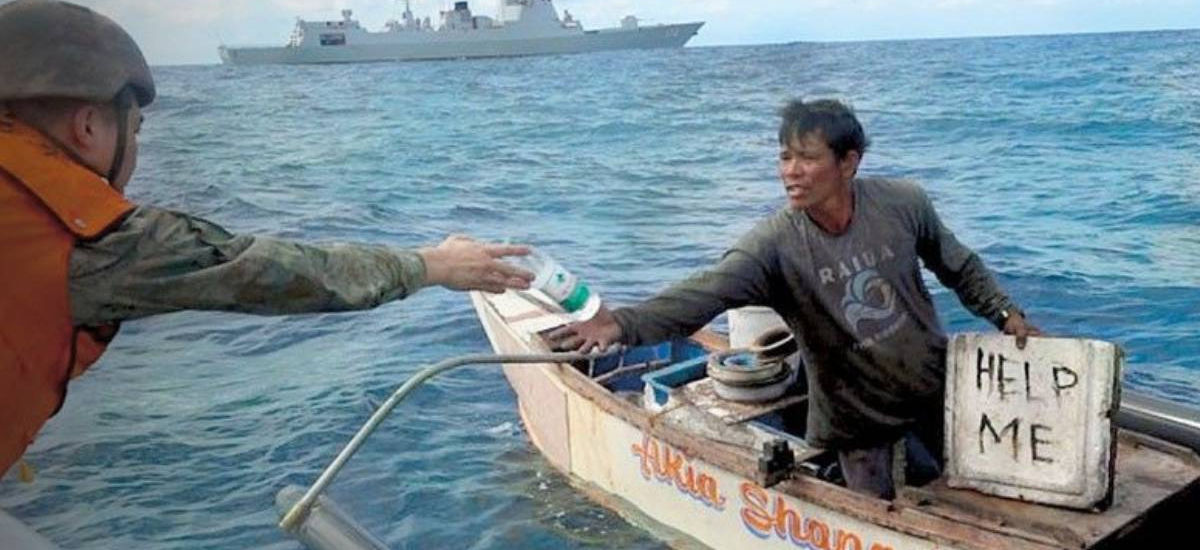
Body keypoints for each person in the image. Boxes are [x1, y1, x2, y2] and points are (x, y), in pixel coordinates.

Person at [0, 0, 533, 479]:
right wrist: (435, 265)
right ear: (88, 127)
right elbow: (266, 270)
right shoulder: (86, 238)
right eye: (135, 130)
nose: (137, 152)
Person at [553, 98, 1041, 499]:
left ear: (849, 162)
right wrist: (619, 324)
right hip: (856, 421)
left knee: (972, 490)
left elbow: (959, 265)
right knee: (876, 511)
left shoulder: (903, 203)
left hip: (932, 389)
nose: (791, 171)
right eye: (785, 157)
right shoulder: (775, 246)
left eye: (807, 158)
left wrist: (1006, 315)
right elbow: (702, 294)